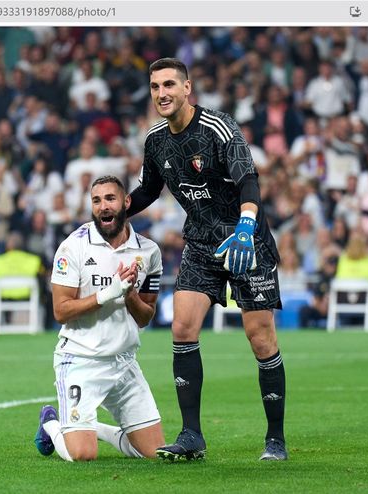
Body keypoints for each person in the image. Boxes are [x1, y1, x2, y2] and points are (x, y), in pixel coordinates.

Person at [127, 58, 287, 461]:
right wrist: (117, 209)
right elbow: (148, 189)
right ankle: (192, 436)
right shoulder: (156, 140)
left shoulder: (219, 128)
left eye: (168, 85)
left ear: (187, 88)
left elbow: (248, 179)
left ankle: (275, 439)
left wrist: (247, 226)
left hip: (245, 240)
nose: (161, 93)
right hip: (200, 241)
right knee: (181, 327)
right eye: (154, 87)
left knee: (260, 337)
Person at [35, 175, 164, 461]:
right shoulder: (73, 247)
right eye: (96, 200)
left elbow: (145, 317)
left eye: (110, 199)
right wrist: (107, 294)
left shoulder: (149, 252)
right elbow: (60, 311)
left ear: (126, 202)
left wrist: (129, 296)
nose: (103, 206)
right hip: (82, 360)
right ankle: (51, 423)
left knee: (154, 454)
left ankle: (93, 428)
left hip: (123, 362)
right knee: (82, 454)